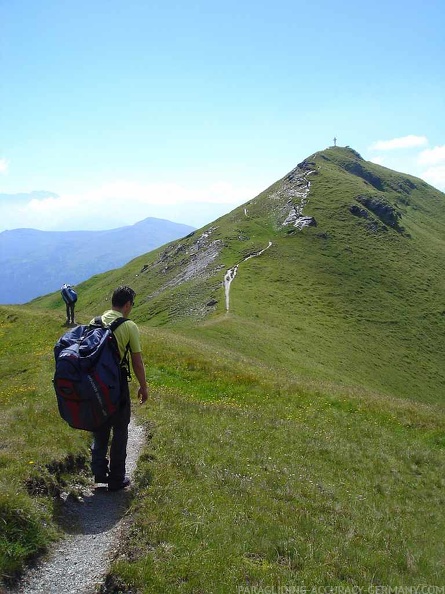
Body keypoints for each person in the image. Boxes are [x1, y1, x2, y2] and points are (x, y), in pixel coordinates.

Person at [90, 285, 149, 491]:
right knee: (120, 429)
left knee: (100, 426)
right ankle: (116, 478)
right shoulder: (129, 326)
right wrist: (143, 386)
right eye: (131, 305)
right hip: (118, 384)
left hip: (95, 383)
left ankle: (98, 472)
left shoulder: (95, 321)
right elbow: (137, 361)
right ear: (127, 305)